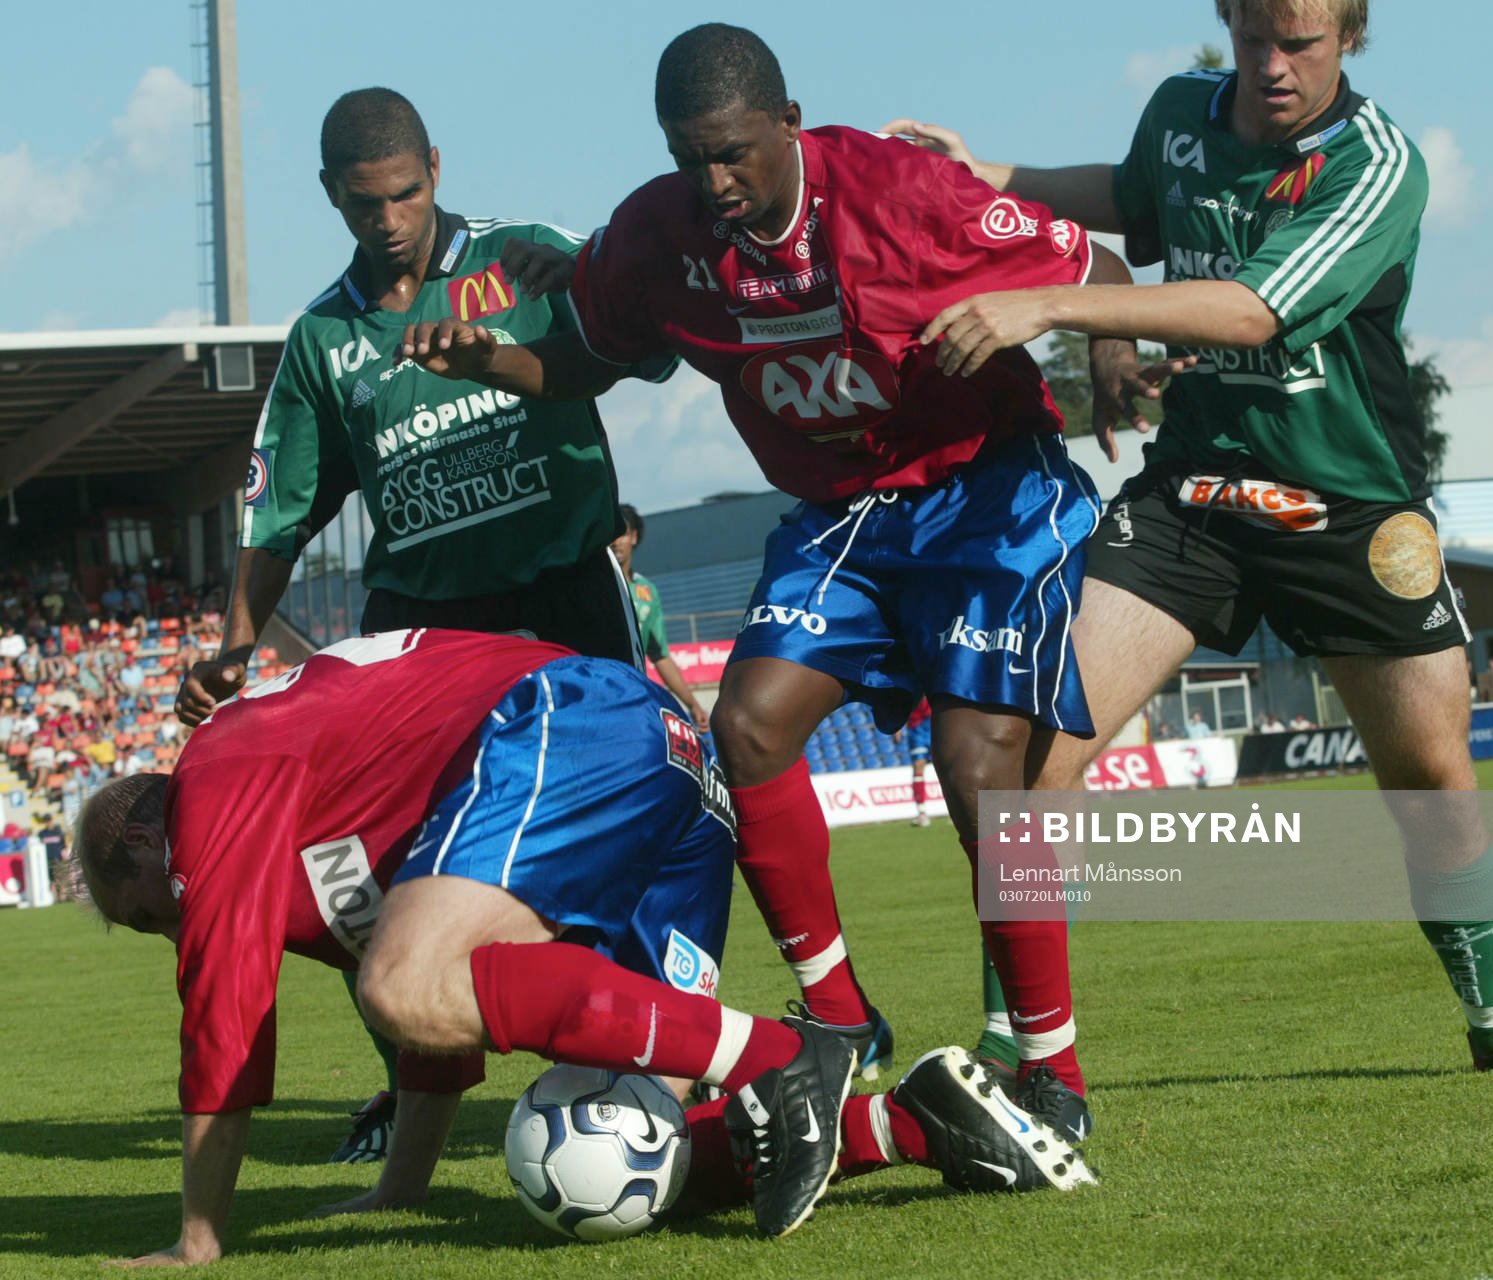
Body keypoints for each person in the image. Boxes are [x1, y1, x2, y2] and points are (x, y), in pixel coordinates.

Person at [400, 23, 1181, 1141]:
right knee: (749, 725)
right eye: (686, 157)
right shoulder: (656, 233)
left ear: (787, 123)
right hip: (842, 517)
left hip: (982, 497)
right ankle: (839, 1016)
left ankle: (1052, 1069)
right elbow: (588, 359)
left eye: (730, 154)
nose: (711, 182)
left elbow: (1091, 266)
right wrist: (492, 361)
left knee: (976, 762)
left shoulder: (906, 193)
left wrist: (1107, 355)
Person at [885, 0, 1493, 1073]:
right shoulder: (1181, 113)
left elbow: (1248, 310)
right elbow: (1132, 197)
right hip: (1193, 496)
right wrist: (993, 171)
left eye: (1301, 45)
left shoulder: (1373, 163)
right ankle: (1012, 1051)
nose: (1271, 67)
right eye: (1252, 42)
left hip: (1348, 509)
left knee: (1427, 777)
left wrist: (1044, 305)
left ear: (1349, 36)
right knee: (1033, 758)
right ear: (1225, 23)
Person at [80, 629, 1090, 1264]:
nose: (170, 927)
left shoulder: (219, 775)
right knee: (626, 1130)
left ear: (140, 838)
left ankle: (791, 1054)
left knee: (407, 977)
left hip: (569, 722)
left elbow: (225, 1017)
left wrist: (199, 1236)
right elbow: (432, 1011)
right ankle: (917, 1123)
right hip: (653, 760)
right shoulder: (307, 815)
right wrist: (403, 1188)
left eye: (147, 913)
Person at [175, 88, 672, 1162]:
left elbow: (649, 337)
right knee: (392, 865)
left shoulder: (523, 258)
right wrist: (235, 638)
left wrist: (603, 284)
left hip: (561, 594)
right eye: (364, 205)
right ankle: (412, 1090)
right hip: (425, 628)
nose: (388, 219)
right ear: (331, 197)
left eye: (404, 194)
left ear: (435, 168)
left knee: (624, 819)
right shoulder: (324, 339)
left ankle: (640, 1052)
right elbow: (279, 511)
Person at [612, 504, 710, 730]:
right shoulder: (593, 588)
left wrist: (692, 704)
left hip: (634, 694)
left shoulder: (647, 591)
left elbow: (660, 655)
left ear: (634, 537)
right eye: (611, 535)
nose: (616, 541)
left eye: (622, 534)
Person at [892, 697, 934, 827]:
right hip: (916, 728)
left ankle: (955, 811)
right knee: (918, 766)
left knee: (946, 767)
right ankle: (922, 813)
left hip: (934, 723)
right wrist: (897, 727)